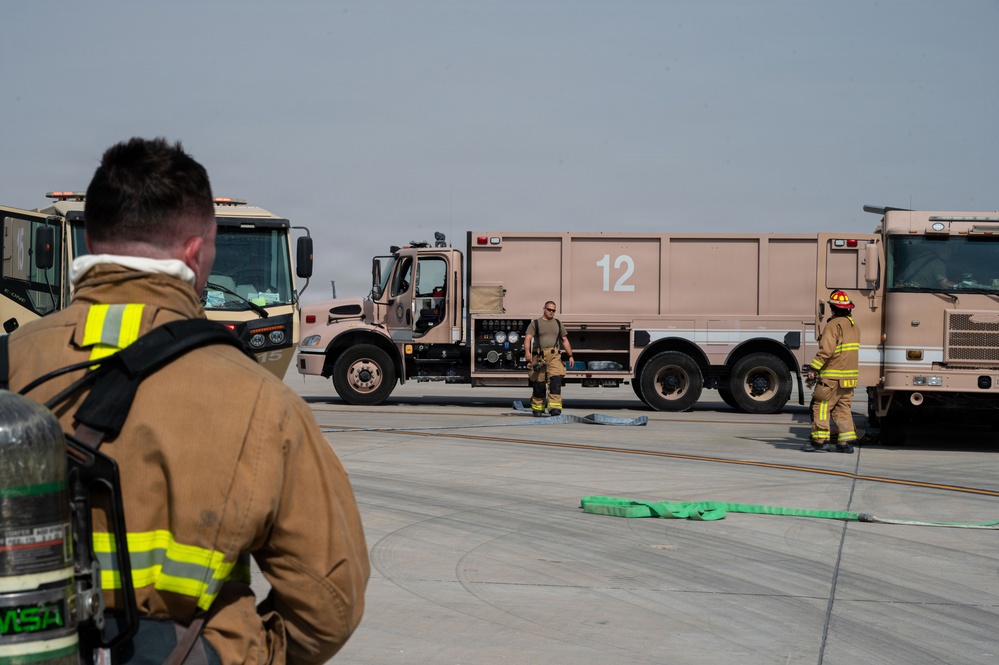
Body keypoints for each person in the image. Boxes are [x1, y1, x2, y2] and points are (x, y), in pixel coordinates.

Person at [6, 138, 369, 664]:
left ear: (91, 242)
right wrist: (243, 651)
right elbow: (330, 601)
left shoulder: (11, 363)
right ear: (197, 253)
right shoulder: (261, 400)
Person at [802, 290, 860, 453]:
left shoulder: (833, 325)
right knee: (843, 408)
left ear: (833, 308)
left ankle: (819, 441)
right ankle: (845, 444)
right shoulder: (854, 326)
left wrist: (814, 368)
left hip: (832, 377)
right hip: (849, 379)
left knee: (821, 406)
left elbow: (826, 351)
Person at [523, 301, 574, 417]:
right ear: (544, 309)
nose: (551, 312)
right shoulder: (536, 323)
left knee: (555, 381)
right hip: (539, 357)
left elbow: (565, 340)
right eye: (549, 309)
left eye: (553, 310)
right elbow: (527, 338)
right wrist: (527, 352)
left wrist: (570, 355)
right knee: (539, 384)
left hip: (554, 356)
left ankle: (555, 408)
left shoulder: (558, 323)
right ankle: (538, 408)